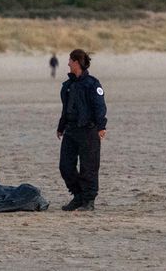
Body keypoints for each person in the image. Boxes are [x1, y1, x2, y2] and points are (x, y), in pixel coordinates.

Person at [56, 49, 107, 212]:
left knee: (89, 167)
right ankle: (78, 195)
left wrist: (101, 126)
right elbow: (66, 109)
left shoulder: (92, 84)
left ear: (76, 62)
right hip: (71, 130)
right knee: (65, 166)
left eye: (70, 60)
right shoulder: (68, 85)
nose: (68, 63)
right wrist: (61, 126)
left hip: (89, 130)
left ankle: (89, 200)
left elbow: (99, 106)